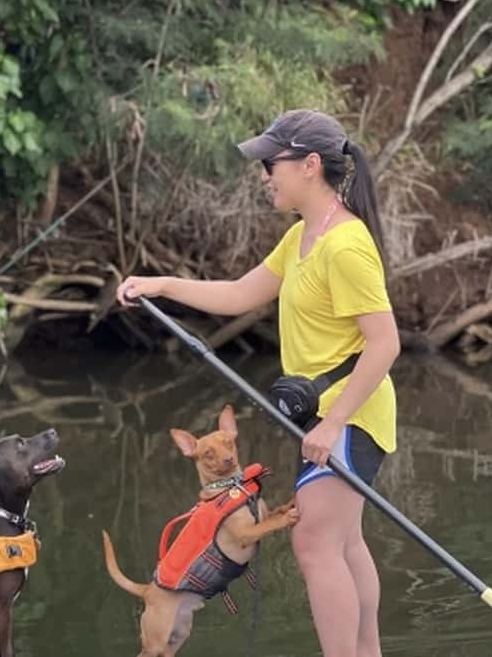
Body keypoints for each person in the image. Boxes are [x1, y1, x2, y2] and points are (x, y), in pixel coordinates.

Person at [115, 109, 399, 657]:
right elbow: (241, 294)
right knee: (343, 542)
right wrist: (160, 284)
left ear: (310, 165)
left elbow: (385, 344)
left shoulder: (346, 244)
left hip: (352, 416)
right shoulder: (302, 238)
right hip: (325, 418)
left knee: (315, 543)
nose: (265, 174)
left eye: (272, 163)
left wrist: (334, 421)